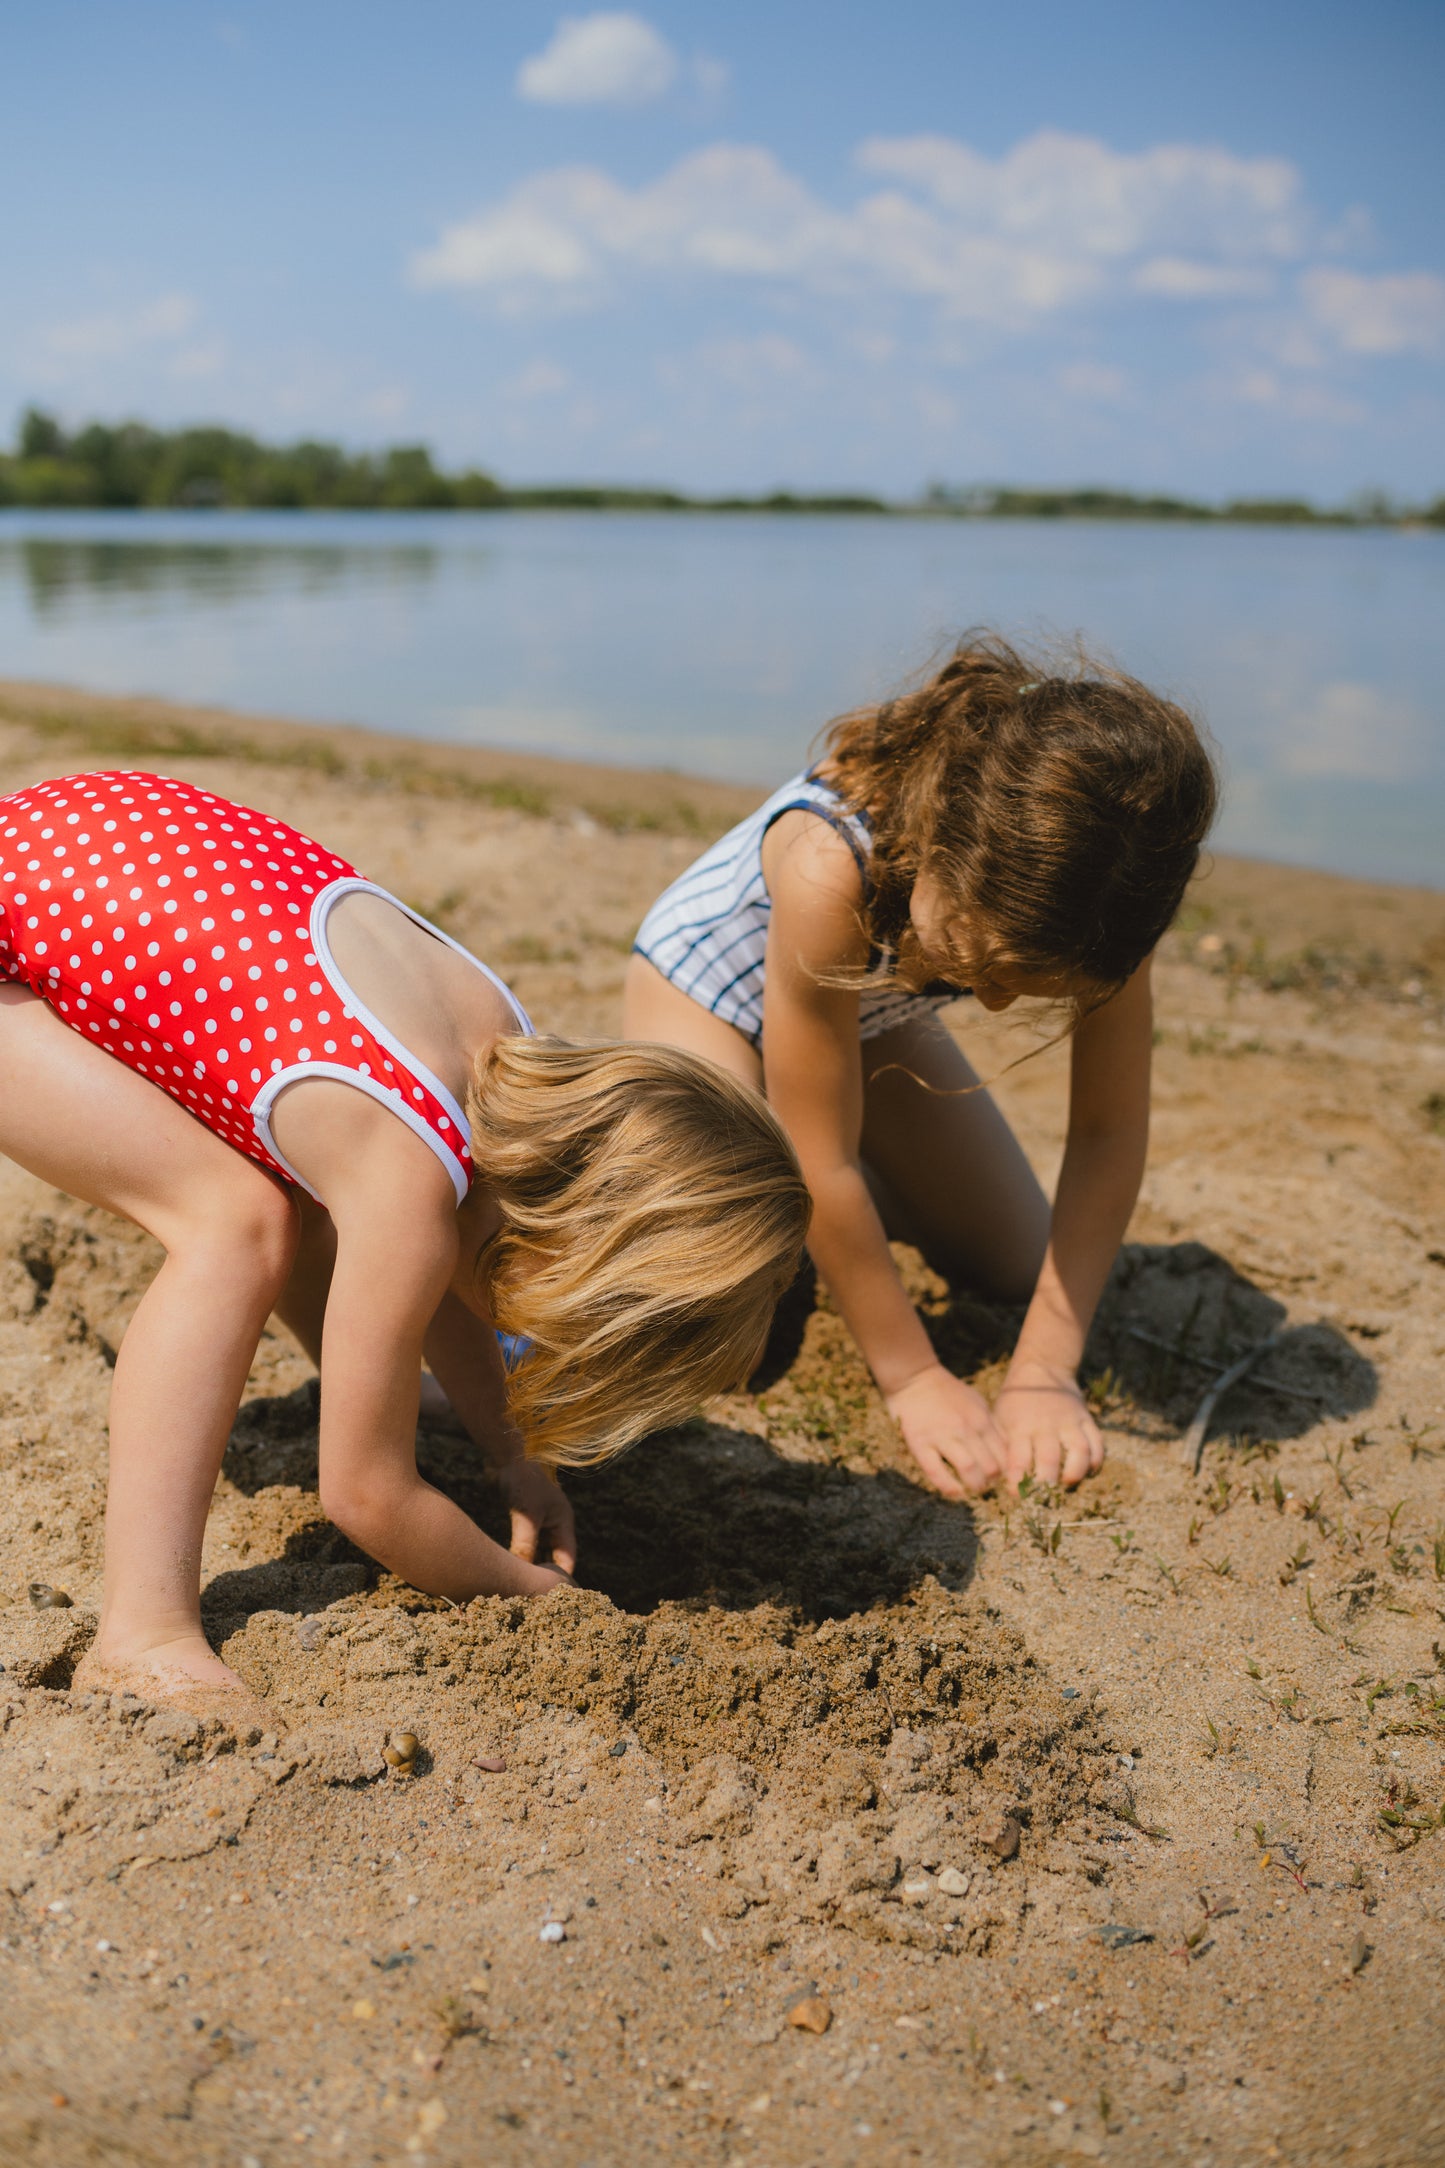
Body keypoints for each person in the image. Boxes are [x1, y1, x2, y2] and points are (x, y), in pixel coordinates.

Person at [0, 770, 808, 1698]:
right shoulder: (407, 1182)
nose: (534, 1333)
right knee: (237, 1222)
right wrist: (527, 1591)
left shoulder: (504, 1055)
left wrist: (513, 1452)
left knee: (302, 1192)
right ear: (560, 1259)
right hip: (15, 936)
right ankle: (140, 1630)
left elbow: (443, 1263)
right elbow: (368, 1497)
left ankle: (368, 1374)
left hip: (76, 833)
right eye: (555, 1327)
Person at [625, 633, 1217, 1500]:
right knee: (726, 1286)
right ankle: (802, 1224)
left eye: (1025, 985)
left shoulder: (1107, 900)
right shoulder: (829, 867)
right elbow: (817, 1151)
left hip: (865, 1014)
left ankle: (845, 1202)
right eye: (979, 971)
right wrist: (912, 1377)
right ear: (941, 854)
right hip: (711, 994)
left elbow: (1107, 1130)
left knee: (1017, 1263)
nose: (999, 1006)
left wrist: (1043, 1372)